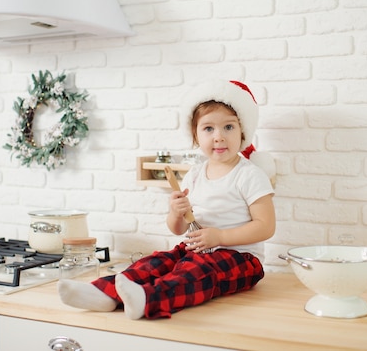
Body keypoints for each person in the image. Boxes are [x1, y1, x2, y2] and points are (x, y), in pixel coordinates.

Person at [58, 80, 276, 319]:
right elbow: (177, 228)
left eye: (229, 127)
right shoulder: (194, 175)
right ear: (195, 136)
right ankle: (105, 293)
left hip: (241, 259)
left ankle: (149, 299)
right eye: (208, 129)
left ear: (242, 131)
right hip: (198, 250)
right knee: (158, 262)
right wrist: (176, 212)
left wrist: (221, 237)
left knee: (198, 272)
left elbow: (266, 226)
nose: (219, 137)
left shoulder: (249, 174)